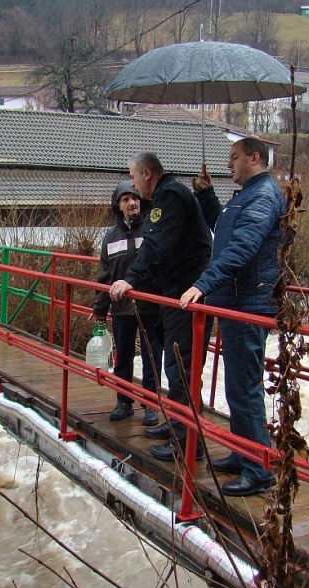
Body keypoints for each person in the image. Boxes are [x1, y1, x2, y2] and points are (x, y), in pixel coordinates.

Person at [180, 138, 284, 497]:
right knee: (237, 385)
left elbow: (243, 247)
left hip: (248, 302)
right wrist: (208, 197)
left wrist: (203, 284)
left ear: (254, 158)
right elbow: (224, 233)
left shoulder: (263, 195)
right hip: (237, 299)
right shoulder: (246, 196)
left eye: (234, 158)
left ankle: (258, 469)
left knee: (244, 386)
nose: (229, 165)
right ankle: (244, 453)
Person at [110, 152, 213, 462]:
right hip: (177, 290)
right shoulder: (169, 196)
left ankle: (186, 443)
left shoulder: (168, 196)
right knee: (176, 365)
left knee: (180, 367)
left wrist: (131, 279)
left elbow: (155, 244)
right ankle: (178, 427)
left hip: (186, 294)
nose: (132, 183)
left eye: (133, 177)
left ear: (146, 173)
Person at [91, 181, 162, 427]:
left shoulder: (153, 230)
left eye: (135, 198)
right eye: (125, 199)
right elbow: (105, 275)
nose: (132, 203)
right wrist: (99, 308)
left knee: (152, 357)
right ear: (118, 205)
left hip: (151, 306)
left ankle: (151, 405)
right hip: (121, 307)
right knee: (123, 357)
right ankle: (124, 401)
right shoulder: (110, 237)